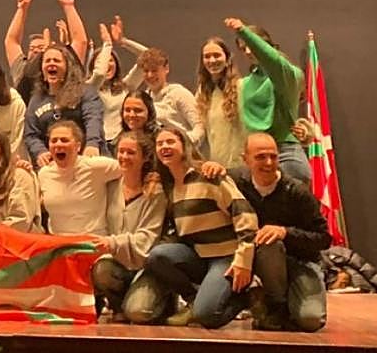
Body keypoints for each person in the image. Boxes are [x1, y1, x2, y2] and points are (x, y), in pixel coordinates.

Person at [136, 124, 257, 328]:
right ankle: (193, 298)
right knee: (156, 256)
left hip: (227, 257)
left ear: (184, 145)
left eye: (170, 141)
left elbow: (245, 214)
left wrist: (244, 259)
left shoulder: (208, 174)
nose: (165, 146)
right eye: (160, 143)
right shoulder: (169, 186)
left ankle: (249, 297)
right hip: (197, 257)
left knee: (207, 316)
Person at [231, 132, 329, 331]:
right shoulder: (234, 181)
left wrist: (286, 232)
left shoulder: (298, 191)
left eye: (273, 156)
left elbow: (324, 238)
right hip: (250, 260)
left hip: (300, 262)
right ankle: (269, 302)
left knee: (311, 320)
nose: (268, 162)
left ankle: (274, 304)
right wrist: (209, 168)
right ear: (245, 159)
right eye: (260, 157)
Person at [226, 19, 311, 185]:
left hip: (285, 155)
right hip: (256, 157)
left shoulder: (288, 74)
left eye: (252, 45)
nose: (249, 52)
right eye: (243, 49)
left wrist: (244, 31)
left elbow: (272, 61)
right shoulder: (245, 83)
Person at [91, 131, 166, 321]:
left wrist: (112, 242)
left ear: (145, 157)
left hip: (147, 266)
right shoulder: (110, 185)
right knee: (101, 270)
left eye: (131, 153)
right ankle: (118, 307)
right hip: (117, 264)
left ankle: (162, 300)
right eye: (121, 151)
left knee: (139, 312)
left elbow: (148, 239)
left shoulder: (155, 191)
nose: (124, 157)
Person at [24, 44, 104, 167]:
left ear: (68, 67)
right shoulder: (36, 99)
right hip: (55, 165)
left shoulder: (85, 92)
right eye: (47, 61)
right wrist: (40, 152)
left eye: (56, 60)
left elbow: (93, 120)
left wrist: (92, 144)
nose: (51, 63)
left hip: (86, 160)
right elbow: (31, 134)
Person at [37, 121, 119, 236]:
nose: (58, 144)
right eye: (54, 141)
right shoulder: (44, 174)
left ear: (78, 146)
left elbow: (129, 167)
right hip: (58, 245)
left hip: (93, 243)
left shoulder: (95, 166)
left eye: (64, 140)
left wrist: (151, 179)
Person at [5, 0, 90, 104]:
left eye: (40, 47)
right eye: (32, 48)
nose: (35, 50)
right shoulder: (22, 70)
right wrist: (22, 9)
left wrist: (69, 6)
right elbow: (11, 41)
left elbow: (80, 41)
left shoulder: (69, 64)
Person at [136, 47, 204, 152]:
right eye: (146, 71)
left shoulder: (179, 94)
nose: (150, 75)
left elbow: (200, 126)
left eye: (154, 70)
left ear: (166, 69)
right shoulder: (144, 99)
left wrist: (183, 144)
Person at [194, 37, 247, 169]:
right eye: (207, 56)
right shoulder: (202, 92)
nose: (212, 60)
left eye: (217, 55)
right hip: (217, 166)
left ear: (228, 59)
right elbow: (199, 127)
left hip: (242, 166)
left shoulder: (242, 87)